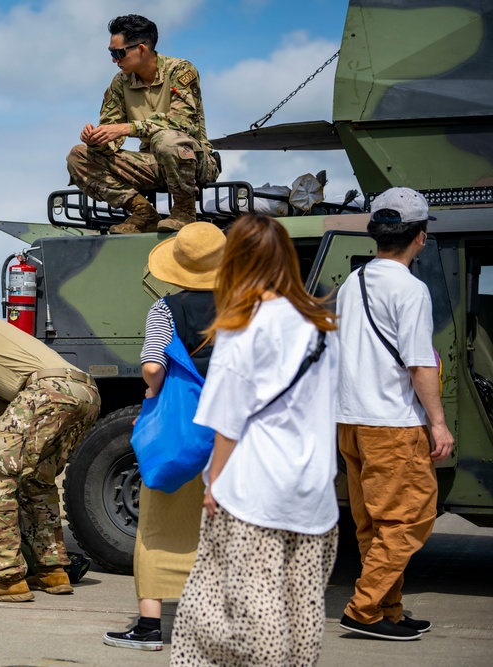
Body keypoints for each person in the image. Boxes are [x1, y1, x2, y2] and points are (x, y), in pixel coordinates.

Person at [170, 214, 340, 666]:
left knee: (227, 615)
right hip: (315, 494)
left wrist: (213, 484)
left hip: (253, 490)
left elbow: (226, 420)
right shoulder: (322, 326)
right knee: (302, 609)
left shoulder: (241, 325)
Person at [335, 187, 454, 641]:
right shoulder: (411, 289)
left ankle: (391, 611)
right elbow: (420, 363)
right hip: (392, 424)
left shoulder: (354, 281)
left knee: (374, 524)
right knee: (412, 517)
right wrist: (438, 423)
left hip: (351, 421)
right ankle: (363, 611)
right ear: (419, 236)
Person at [103, 222, 223, 651]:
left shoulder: (166, 309)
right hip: (234, 429)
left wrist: (155, 393)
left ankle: (150, 628)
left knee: (158, 523)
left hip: (181, 428)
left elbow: (153, 366)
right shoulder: (249, 307)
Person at [0, 317, 101, 602]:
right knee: (37, 483)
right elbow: (3, 420)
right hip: (85, 395)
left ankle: (6, 577)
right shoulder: (8, 357)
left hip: (46, 391)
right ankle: (52, 571)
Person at [67, 14, 219, 235]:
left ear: (141, 49)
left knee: (166, 140)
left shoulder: (181, 70)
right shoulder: (121, 82)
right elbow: (112, 134)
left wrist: (127, 128)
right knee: (78, 155)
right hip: (152, 164)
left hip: (193, 162)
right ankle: (142, 212)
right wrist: (97, 139)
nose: (114, 60)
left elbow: (182, 123)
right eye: (111, 53)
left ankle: (185, 211)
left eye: (118, 53)